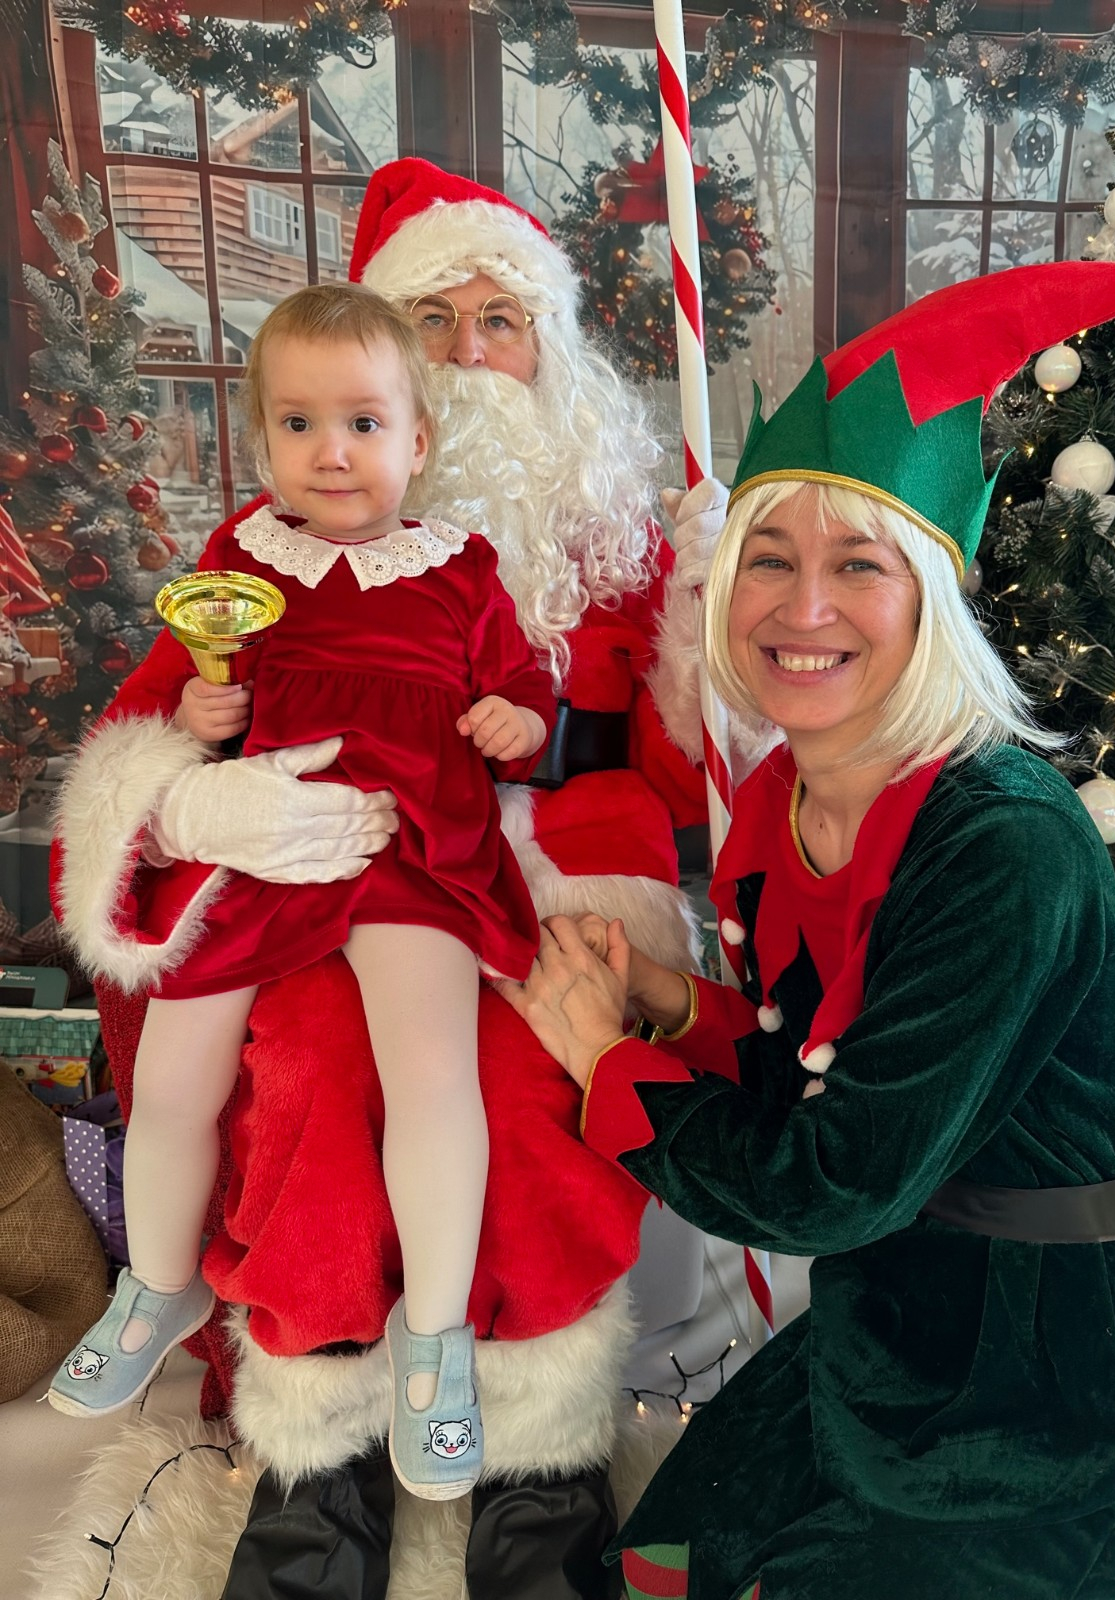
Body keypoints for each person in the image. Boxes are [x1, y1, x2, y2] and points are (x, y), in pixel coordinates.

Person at [51, 161, 762, 1600]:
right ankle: (320, 1463)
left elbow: (709, 775)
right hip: (323, 870)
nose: (471, 349)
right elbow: (141, 735)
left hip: (558, 884)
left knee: (530, 1079)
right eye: (433, 319)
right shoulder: (264, 554)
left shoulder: (623, 544)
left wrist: (710, 626)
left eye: (503, 319)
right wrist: (198, 797)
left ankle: (541, 1471)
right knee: (310, 1067)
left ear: (545, 350)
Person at [501, 259, 1115, 1600]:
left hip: (1073, 1373)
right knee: (666, 1555)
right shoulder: (781, 802)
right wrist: (668, 999)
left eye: (856, 566)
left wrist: (605, 1066)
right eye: (769, 558)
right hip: (907, 1300)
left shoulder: (1002, 843)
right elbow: (807, 1065)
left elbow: (830, 1183)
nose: (802, 608)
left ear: (928, 600)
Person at [50, 282, 557, 1502]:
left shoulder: (458, 568)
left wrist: (515, 719)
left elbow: (525, 689)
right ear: (263, 438)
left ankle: (433, 1337)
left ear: (416, 441)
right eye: (298, 423)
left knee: (431, 1072)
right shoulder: (242, 561)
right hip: (268, 846)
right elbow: (183, 698)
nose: (332, 451)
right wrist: (199, 714)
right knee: (175, 1070)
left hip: (412, 844)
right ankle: (157, 1283)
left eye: (363, 423)